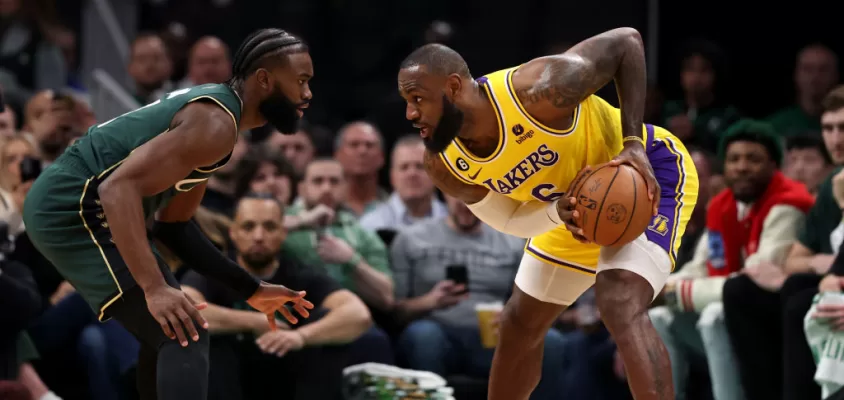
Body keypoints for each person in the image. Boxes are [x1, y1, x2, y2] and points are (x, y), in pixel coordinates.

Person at [397, 27, 699, 400]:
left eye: (417, 98)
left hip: (644, 176)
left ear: (454, 87)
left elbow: (627, 43)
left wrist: (633, 142)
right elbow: (507, 218)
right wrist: (559, 214)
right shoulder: (442, 163)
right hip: (572, 211)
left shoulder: (537, 91)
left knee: (618, 297)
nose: (410, 113)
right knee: (518, 325)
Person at [21, 28, 315, 400]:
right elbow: (117, 188)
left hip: (80, 202)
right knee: (182, 330)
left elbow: (173, 225)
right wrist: (155, 288)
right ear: (264, 79)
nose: (308, 94)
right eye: (301, 81)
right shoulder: (215, 124)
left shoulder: (222, 120)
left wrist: (252, 289)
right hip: (72, 206)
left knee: (170, 330)